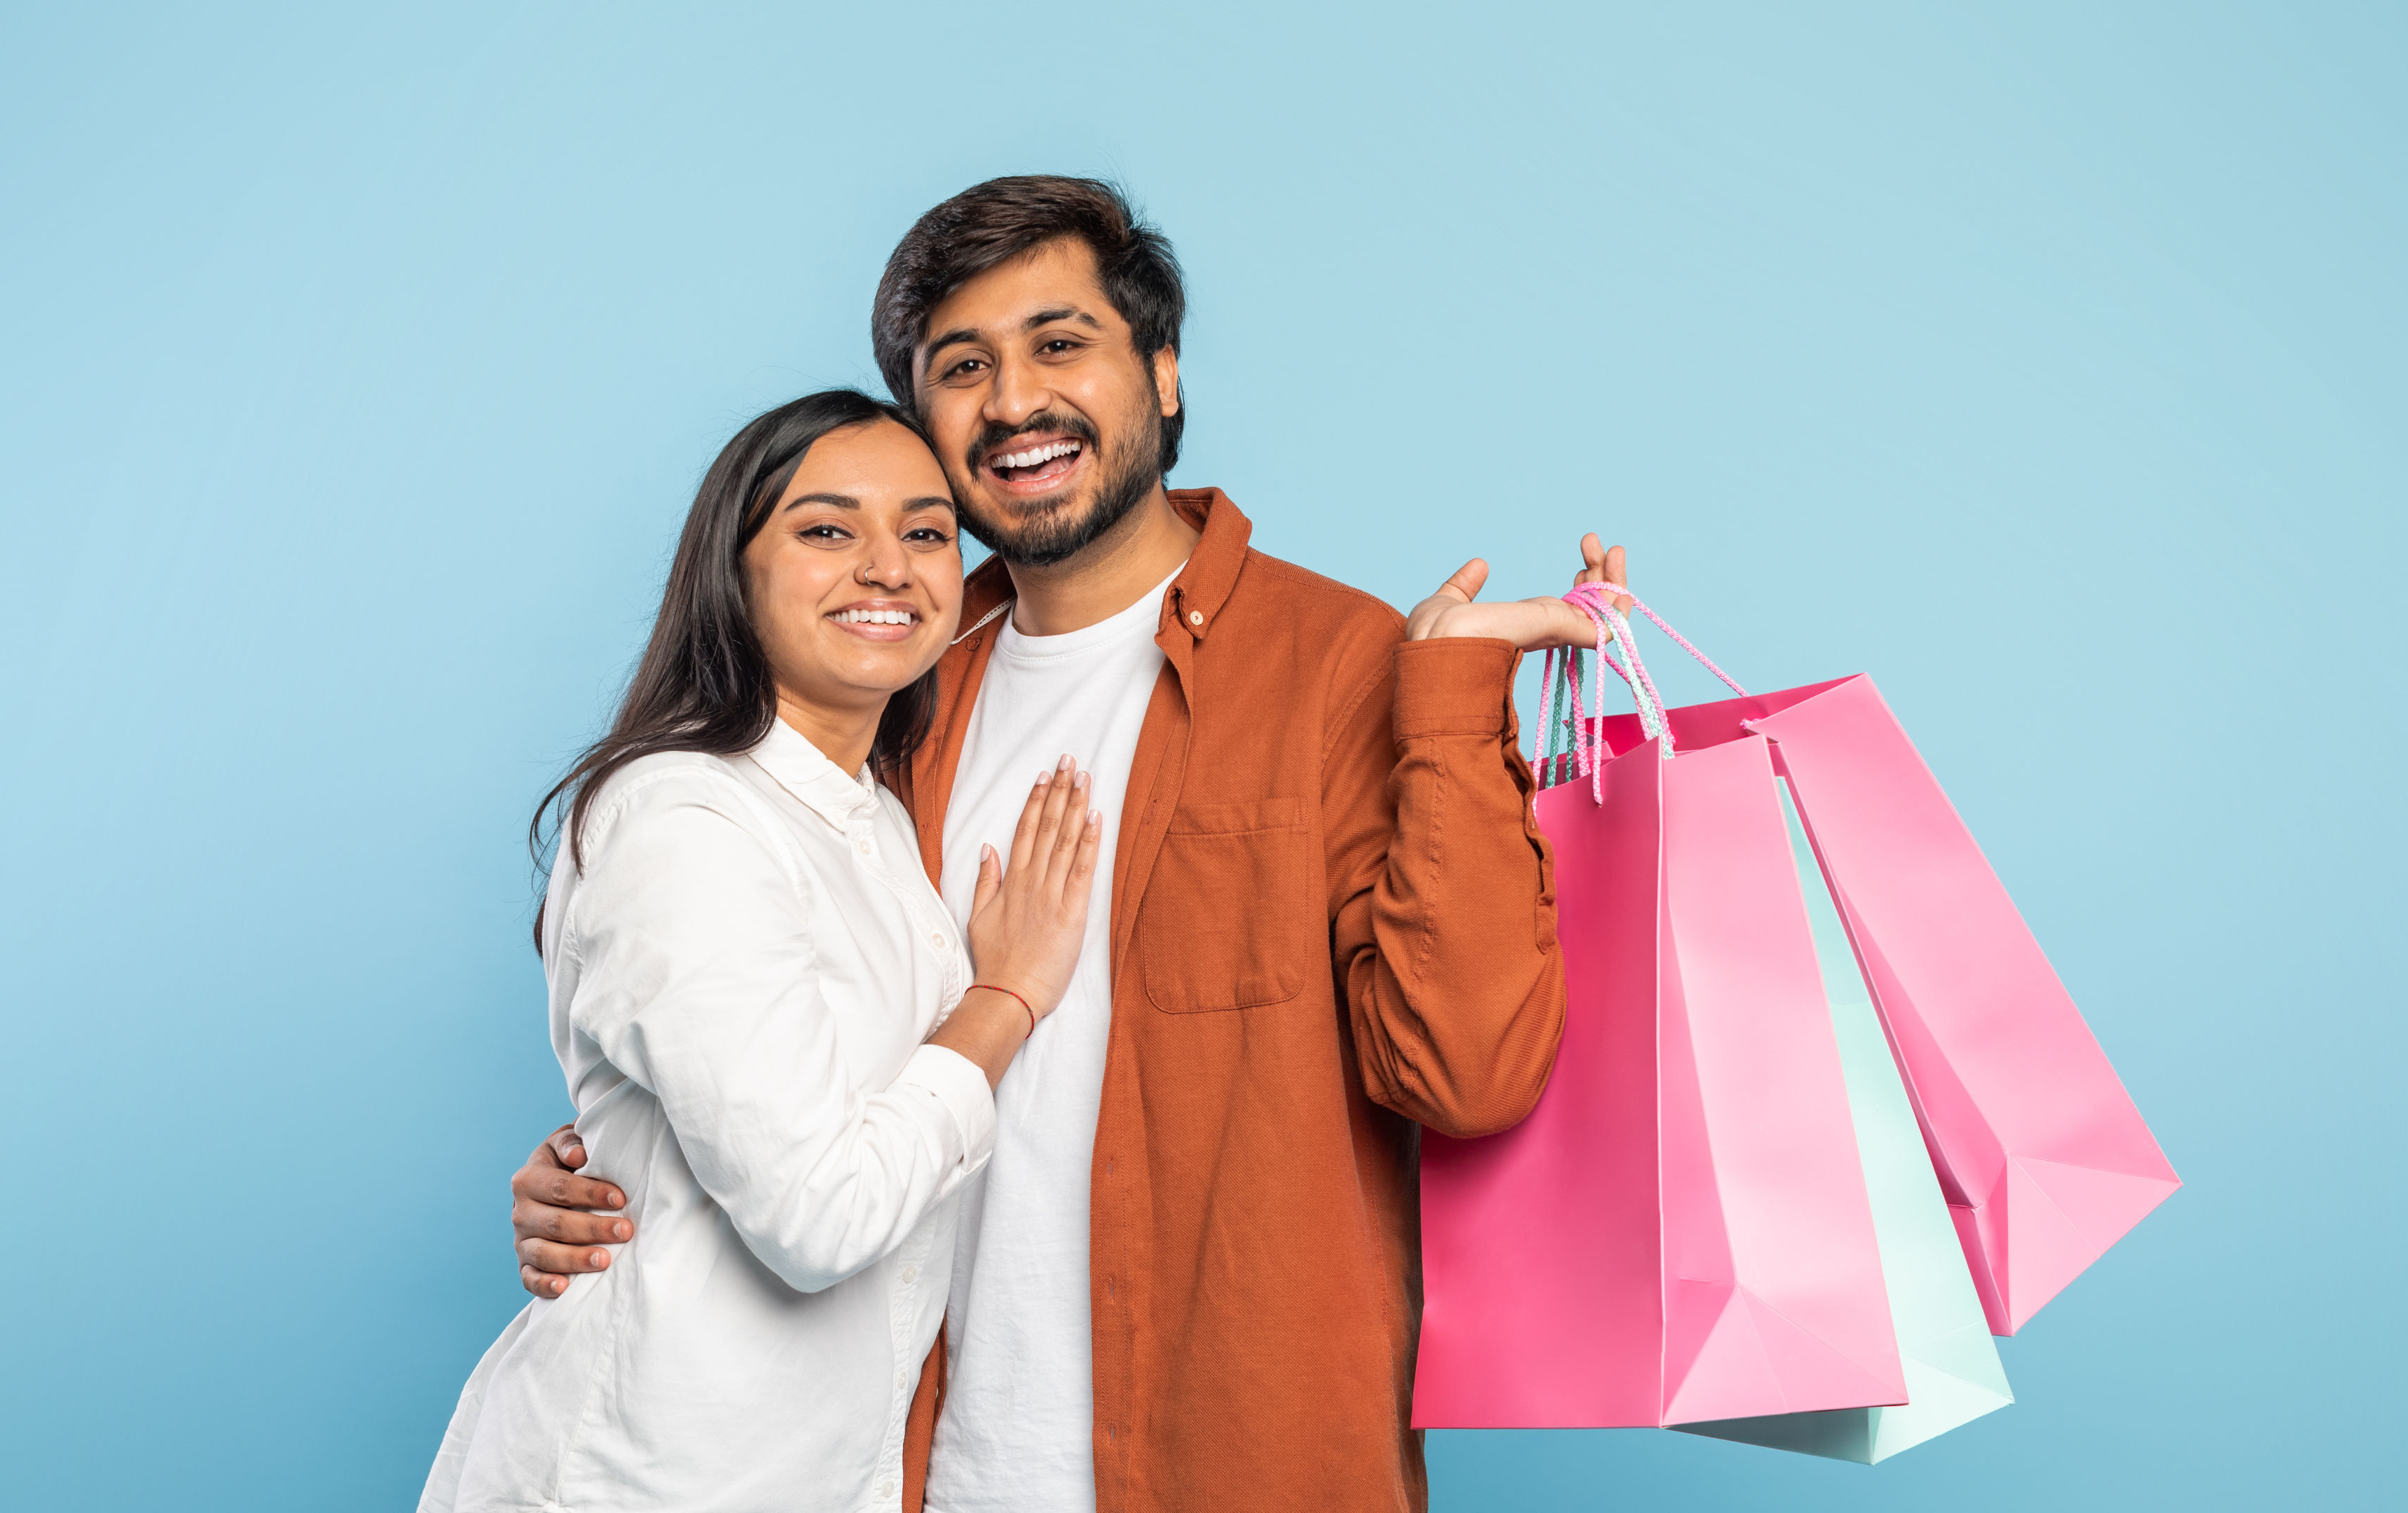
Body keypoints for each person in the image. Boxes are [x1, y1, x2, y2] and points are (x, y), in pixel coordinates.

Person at [508, 179, 1632, 1512]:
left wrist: (1444, 706)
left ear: (1160, 375)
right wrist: (621, 1167)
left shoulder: (1337, 665)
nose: (1014, 401)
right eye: (962, 367)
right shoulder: (897, 692)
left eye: (1060, 343)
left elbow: (1469, 1074)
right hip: (911, 1470)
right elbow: (773, 1035)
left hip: (1233, 1460)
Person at [420, 389, 1107, 1513]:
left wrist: (613, 1147)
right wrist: (1007, 994)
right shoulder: (682, 816)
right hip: (648, 1476)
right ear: (732, 573)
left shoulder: (871, 817)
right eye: (827, 529)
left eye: (926, 532)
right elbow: (818, 1217)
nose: (888, 567)